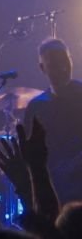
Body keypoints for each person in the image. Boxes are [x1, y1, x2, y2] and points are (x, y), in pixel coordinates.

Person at [24, 38, 82, 201]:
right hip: (55, 190)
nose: (63, 68)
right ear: (42, 68)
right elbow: (31, 154)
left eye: (65, 61)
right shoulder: (36, 107)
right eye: (55, 63)